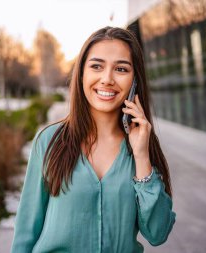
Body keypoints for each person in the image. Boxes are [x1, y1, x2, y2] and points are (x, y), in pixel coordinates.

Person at [11, 26, 176, 253]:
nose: (107, 79)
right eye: (96, 66)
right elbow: (26, 232)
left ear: (135, 80)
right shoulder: (49, 141)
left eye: (121, 68)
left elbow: (157, 233)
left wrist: (141, 156)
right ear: (81, 74)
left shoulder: (142, 145)